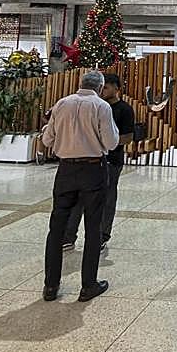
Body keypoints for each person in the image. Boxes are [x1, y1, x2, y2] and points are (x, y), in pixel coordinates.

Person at [41, 70, 119, 303]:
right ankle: (88, 285)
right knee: (93, 227)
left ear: (80, 84)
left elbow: (47, 139)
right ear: (100, 87)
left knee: (57, 227)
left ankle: (50, 286)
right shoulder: (101, 106)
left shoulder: (62, 104)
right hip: (93, 169)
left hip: (65, 170)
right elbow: (111, 143)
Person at [63, 73, 135, 253]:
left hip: (111, 161)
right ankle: (68, 236)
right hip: (90, 160)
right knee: (78, 198)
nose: (103, 91)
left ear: (117, 88)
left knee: (107, 199)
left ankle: (102, 236)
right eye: (102, 87)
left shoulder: (124, 109)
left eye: (107, 87)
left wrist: (103, 141)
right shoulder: (95, 106)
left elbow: (127, 137)